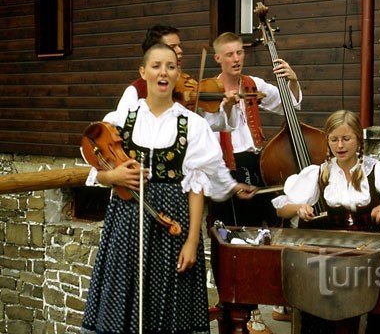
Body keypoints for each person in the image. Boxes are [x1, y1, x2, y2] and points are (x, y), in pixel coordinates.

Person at [81, 43, 255, 334]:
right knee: (124, 300)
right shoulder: (120, 120)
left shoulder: (194, 125)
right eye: (156, 66)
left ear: (177, 74)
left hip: (173, 225)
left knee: (170, 306)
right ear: (143, 72)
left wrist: (191, 241)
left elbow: (197, 186)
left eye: (171, 67)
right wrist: (114, 178)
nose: (164, 72)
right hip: (126, 223)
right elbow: (94, 171)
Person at [272, 109, 380, 334]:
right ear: (328, 141)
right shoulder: (318, 173)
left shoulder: (377, 170)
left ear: (358, 140)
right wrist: (299, 208)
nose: (340, 145)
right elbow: (282, 209)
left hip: (370, 249)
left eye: (346, 138)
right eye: (334, 139)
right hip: (330, 252)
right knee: (320, 296)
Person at [207, 31, 302, 229]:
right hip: (227, 164)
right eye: (229, 54)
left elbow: (288, 103)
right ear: (218, 58)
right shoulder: (209, 91)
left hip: (256, 162)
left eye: (239, 53)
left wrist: (292, 81)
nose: (236, 59)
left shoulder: (253, 84)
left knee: (269, 224)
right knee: (232, 229)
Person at [118, 25, 240, 132]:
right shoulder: (135, 90)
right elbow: (120, 128)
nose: (180, 50)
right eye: (173, 46)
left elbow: (211, 125)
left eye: (179, 45)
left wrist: (228, 106)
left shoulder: (187, 85)